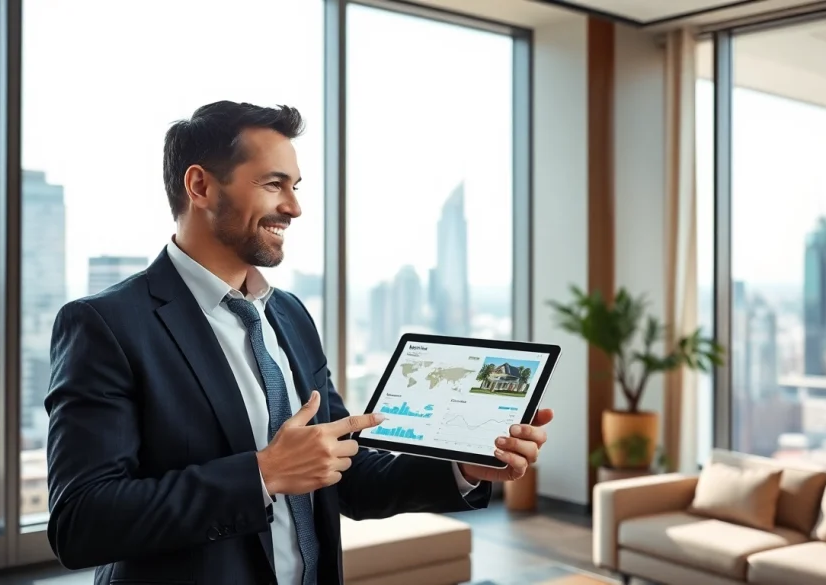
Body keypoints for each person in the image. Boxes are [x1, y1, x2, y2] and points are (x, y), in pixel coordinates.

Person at [44, 100, 553, 585]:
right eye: (273, 184)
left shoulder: (288, 314)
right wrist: (262, 474)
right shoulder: (104, 325)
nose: (294, 207)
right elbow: (82, 522)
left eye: (296, 186)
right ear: (199, 185)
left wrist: (462, 467)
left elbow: (345, 471)